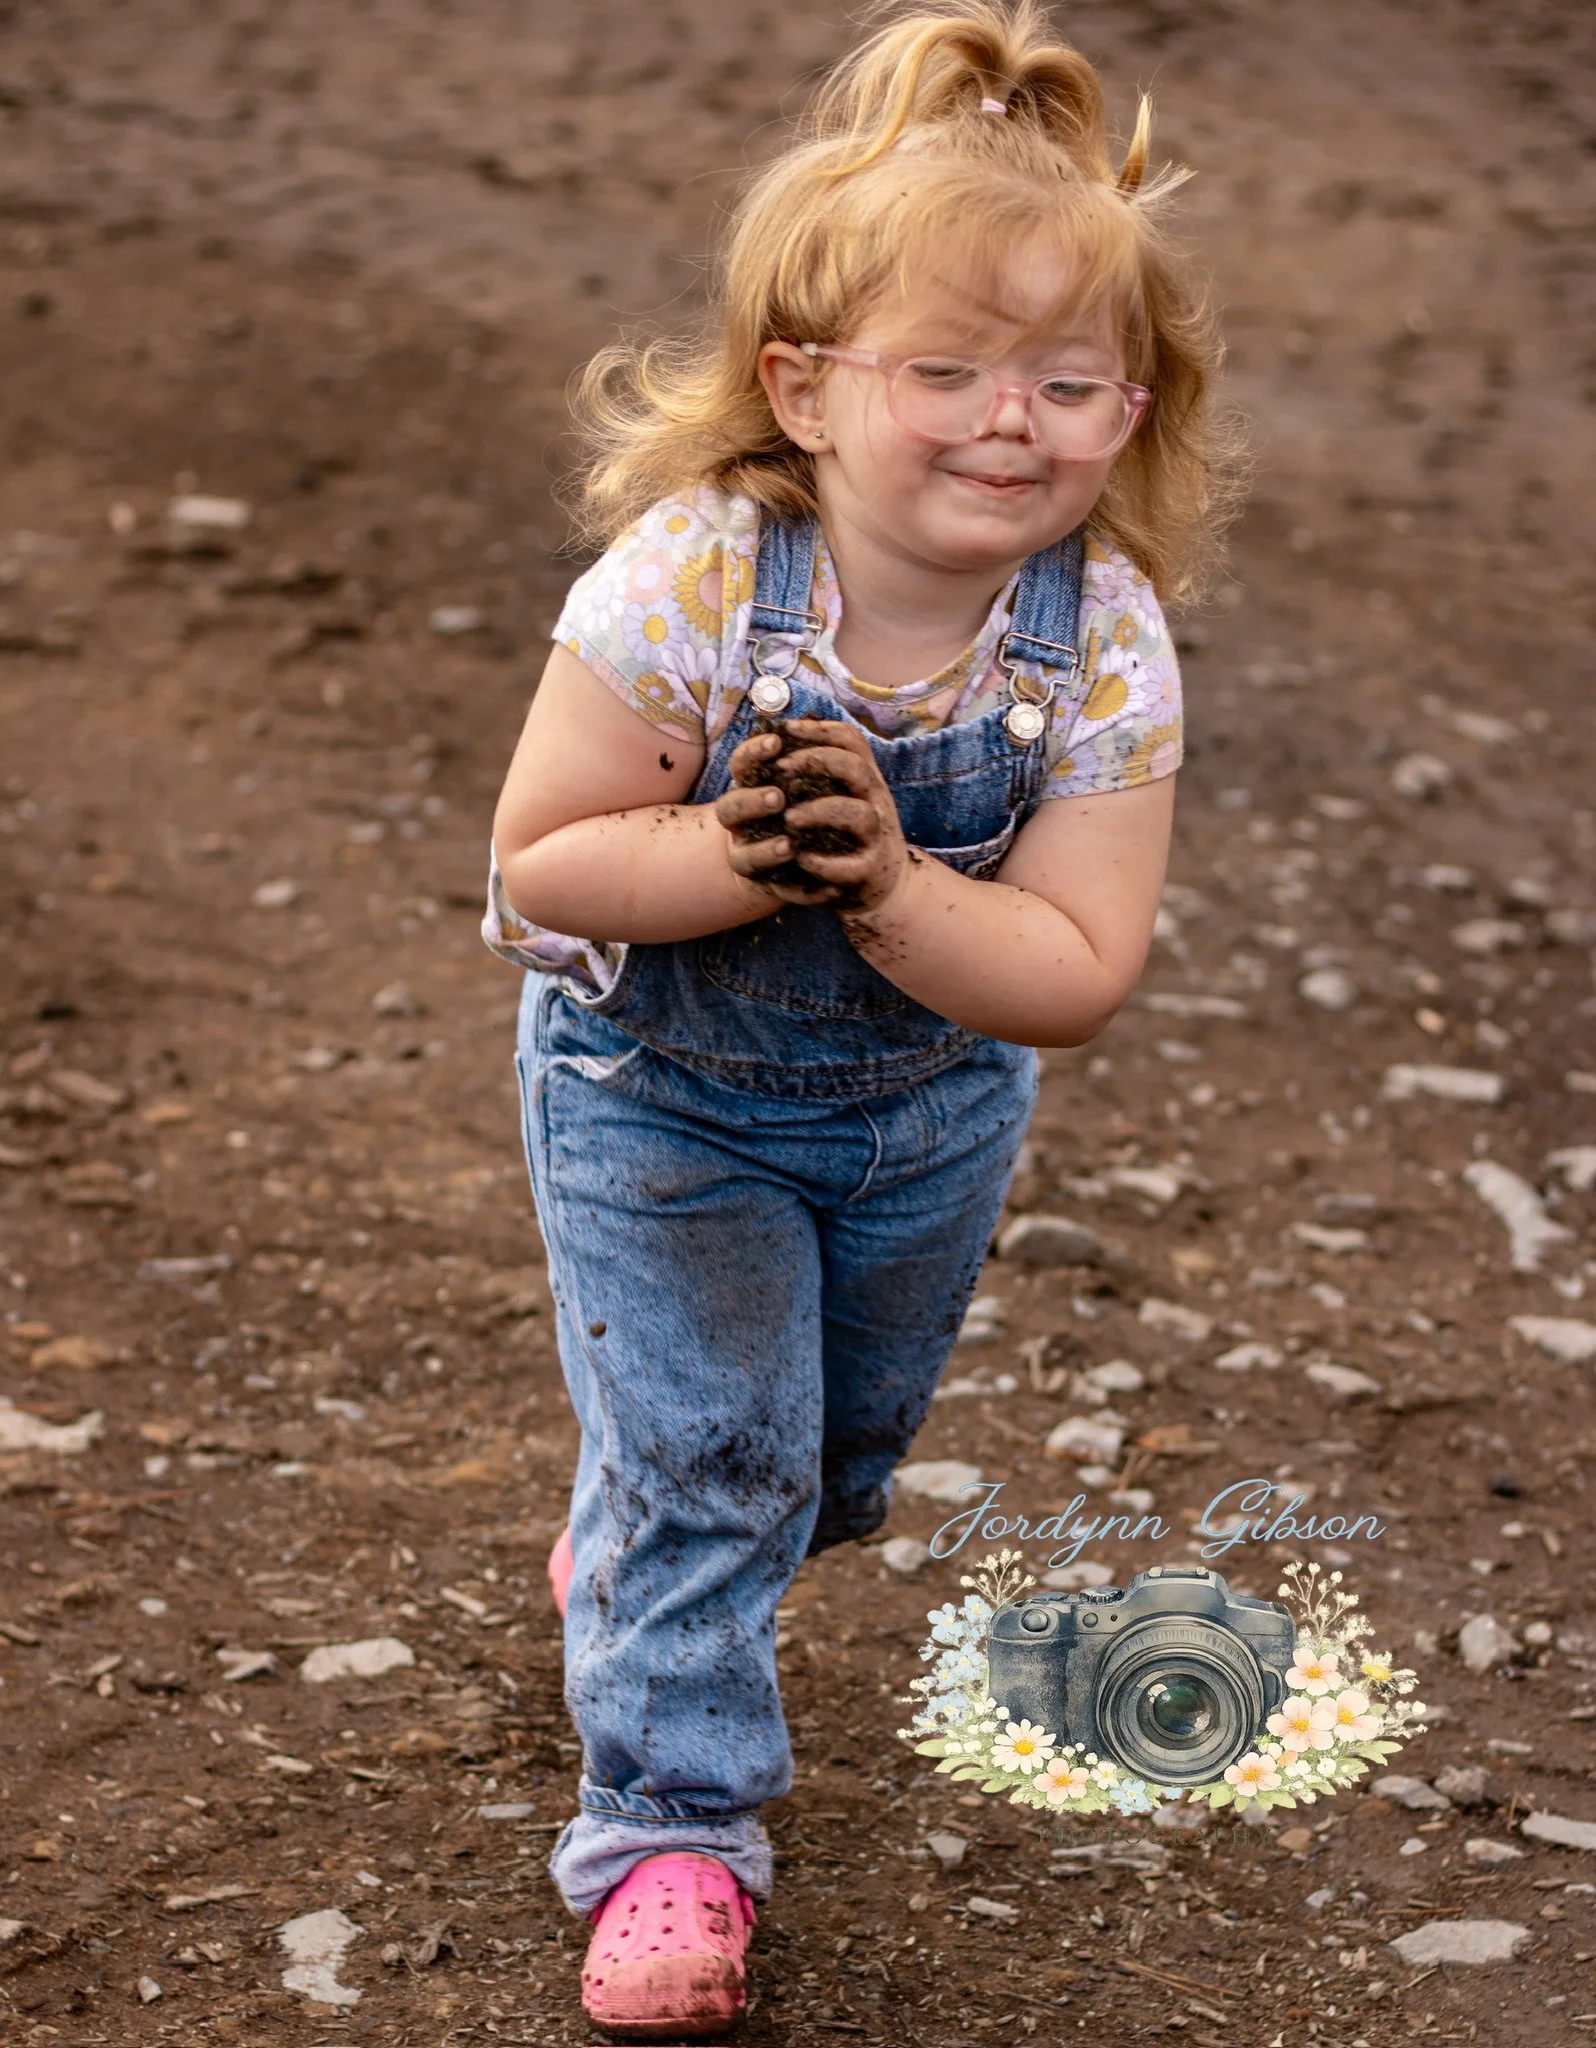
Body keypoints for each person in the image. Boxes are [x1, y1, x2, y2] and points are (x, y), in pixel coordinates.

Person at [484, 2, 1238, 2033]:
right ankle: (667, 1838)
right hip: (664, 1098)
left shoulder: (1102, 643)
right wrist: (734, 855)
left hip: (928, 1109)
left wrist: (898, 886)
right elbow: (546, 857)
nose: (1017, 422)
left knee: (825, 1468)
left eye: (1071, 381)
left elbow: (1075, 972)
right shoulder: (694, 582)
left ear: (1134, 402)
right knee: (719, 1464)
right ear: (804, 389)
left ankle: (639, 1541)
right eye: (952, 372)